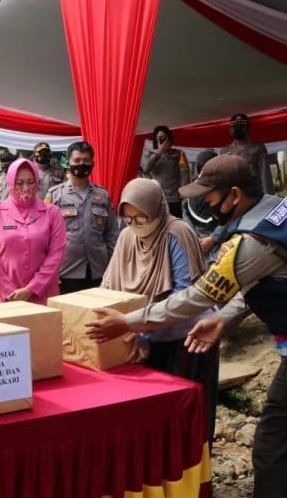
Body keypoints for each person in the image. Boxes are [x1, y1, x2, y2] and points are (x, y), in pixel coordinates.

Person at [84, 154, 287, 497]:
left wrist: (130, 323)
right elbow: (255, 282)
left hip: (177, 335)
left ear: (234, 195)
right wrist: (223, 318)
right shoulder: (274, 212)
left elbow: (197, 295)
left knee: (271, 443)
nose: (205, 206)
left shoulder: (249, 241)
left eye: (209, 198)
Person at [101, 177, 217, 444]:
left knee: (187, 416)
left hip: (186, 337)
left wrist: (143, 332)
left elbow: (185, 294)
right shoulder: (127, 237)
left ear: (156, 209)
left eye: (141, 218)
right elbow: (108, 285)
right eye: (128, 219)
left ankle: (194, 479)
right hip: (141, 334)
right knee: (155, 420)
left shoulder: (176, 233)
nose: (136, 225)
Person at [0, 158, 66, 304]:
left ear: (37, 182)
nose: (26, 188)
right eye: (19, 183)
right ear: (10, 183)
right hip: (5, 297)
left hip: (44, 296)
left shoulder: (52, 212)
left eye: (30, 182)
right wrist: (9, 290)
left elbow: (56, 255)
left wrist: (32, 288)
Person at [45, 141, 120, 294]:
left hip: (98, 269)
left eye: (86, 161)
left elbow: (112, 233)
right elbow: (45, 236)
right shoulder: (55, 195)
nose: (82, 164)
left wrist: (113, 265)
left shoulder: (103, 195)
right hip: (66, 271)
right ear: (67, 163)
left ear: (92, 163)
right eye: (77, 160)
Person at [143, 125, 191, 218]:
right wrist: (159, 152)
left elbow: (184, 175)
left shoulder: (179, 154)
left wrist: (184, 194)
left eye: (163, 138)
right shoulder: (152, 155)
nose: (161, 140)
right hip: (158, 197)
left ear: (169, 139)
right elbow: (146, 169)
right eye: (158, 138)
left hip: (174, 198)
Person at [221, 113, 274, 194]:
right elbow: (223, 177)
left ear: (248, 129)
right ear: (230, 130)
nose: (238, 129)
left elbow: (265, 174)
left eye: (242, 127)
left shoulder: (258, 148)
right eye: (235, 127)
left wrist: (268, 197)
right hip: (233, 195)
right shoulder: (225, 151)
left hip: (253, 193)